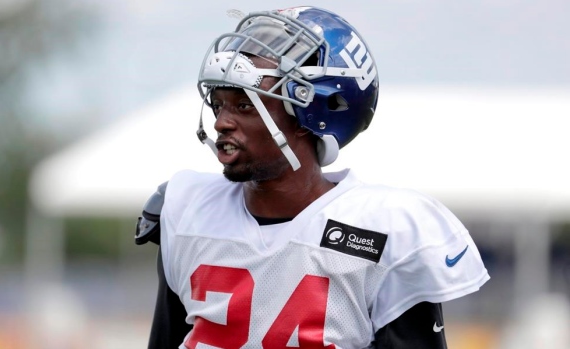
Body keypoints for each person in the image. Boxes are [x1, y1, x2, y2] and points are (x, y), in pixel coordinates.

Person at [135, 6, 490, 349]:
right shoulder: (187, 206)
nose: (221, 122)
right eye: (219, 103)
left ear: (311, 114)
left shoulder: (387, 229)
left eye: (246, 105)